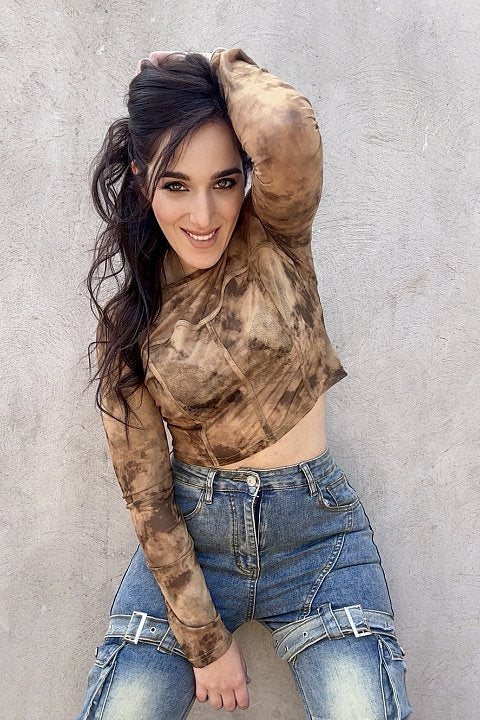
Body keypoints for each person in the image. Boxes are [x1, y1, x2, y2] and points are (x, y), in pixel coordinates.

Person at [75, 47, 413, 719]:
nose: (204, 215)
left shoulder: (277, 234)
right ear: (142, 182)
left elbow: (284, 124)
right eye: (176, 185)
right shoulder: (129, 321)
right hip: (192, 545)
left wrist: (216, 67)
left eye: (224, 182)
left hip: (318, 541)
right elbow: (148, 498)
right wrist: (205, 643)